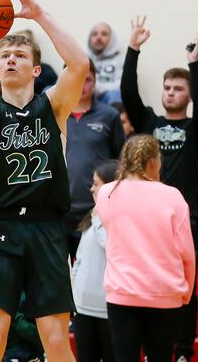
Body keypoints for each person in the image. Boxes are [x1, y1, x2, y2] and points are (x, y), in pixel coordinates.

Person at [0, 0, 89, 362]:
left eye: (19, 55)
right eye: (5, 55)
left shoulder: (53, 106)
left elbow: (79, 64)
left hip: (46, 228)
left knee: (56, 339)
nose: (10, 59)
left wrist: (40, 14)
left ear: (35, 69)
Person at [120, 18, 198, 360]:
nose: (171, 92)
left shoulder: (196, 126)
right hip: (147, 220)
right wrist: (133, 49)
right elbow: (128, 92)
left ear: (186, 95)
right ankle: (149, 347)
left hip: (186, 219)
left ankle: (184, 351)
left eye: (178, 88)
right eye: (167, 87)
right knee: (147, 284)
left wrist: (194, 64)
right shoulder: (148, 123)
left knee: (187, 287)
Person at [95, 135, 195, 362]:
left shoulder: (107, 193)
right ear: (152, 163)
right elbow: (187, 254)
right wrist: (185, 294)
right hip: (165, 294)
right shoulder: (173, 196)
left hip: (122, 295)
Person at [65, 62, 125, 258]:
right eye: (77, 79)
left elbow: (120, 162)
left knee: (94, 271)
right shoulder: (54, 114)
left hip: (97, 210)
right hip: (59, 210)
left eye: (87, 79)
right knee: (60, 277)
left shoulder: (109, 115)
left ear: (95, 82)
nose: (82, 85)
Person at [71, 160, 118, 362]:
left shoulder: (117, 218)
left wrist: (101, 215)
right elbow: (79, 259)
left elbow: (111, 247)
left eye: (96, 183)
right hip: (83, 308)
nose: (92, 188)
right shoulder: (92, 215)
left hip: (107, 308)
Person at [87, 22, 124, 104]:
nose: (99, 37)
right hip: (86, 100)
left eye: (104, 34)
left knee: (114, 93)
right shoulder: (83, 60)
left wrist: (96, 88)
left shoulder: (121, 60)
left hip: (109, 101)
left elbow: (122, 86)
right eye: (94, 34)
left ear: (111, 38)